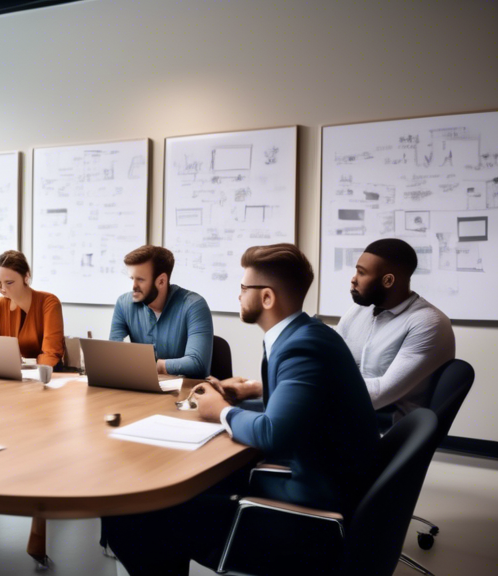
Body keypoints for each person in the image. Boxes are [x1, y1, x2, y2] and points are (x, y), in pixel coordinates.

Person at [102, 244, 380, 575]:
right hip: (318, 484)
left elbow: (272, 434)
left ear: (266, 299)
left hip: (309, 516)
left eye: (244, 288)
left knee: (133, 517)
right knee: (177, 497)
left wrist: (219, 410)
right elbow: (303, 410)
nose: (238, 296)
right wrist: (243, 395)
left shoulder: (301, 347)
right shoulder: (305, 334)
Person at [0, 250, 65, 567]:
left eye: (9, 282)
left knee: (38, 447)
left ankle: (38, 520)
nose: (2, 289)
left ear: (26, 278)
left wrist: (36, 374)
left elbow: (51, 351)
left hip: (46, 388)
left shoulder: (48, 302)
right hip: (8, 387)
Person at [338, 238, 455, 419]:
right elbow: (329, 357)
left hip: (389, 427)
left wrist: (317, 384)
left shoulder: (428, 322)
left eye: (361, 273)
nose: (353, 279)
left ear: (388, 280)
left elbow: (380, 395)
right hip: (349, 414)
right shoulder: (359, 310)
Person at [108, 245, 213, 378]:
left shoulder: (194, 306)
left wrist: (153, 366)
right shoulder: (124, 303)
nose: (133, 286)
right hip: (142, 388)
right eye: (132, 278)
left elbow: (197, 364)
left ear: (161, 281)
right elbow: (112, 355)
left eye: (140, 279)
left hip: (184, 392)